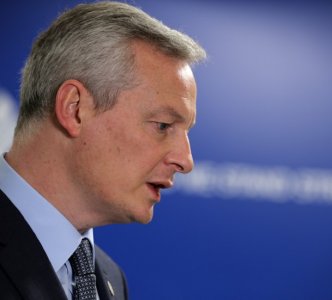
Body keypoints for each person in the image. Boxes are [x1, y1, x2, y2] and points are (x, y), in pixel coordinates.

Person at [0, 1, 206, 299]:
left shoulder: (108, 277)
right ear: (75, 109)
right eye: (162, 125)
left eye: (186, 132)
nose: (186, 161)